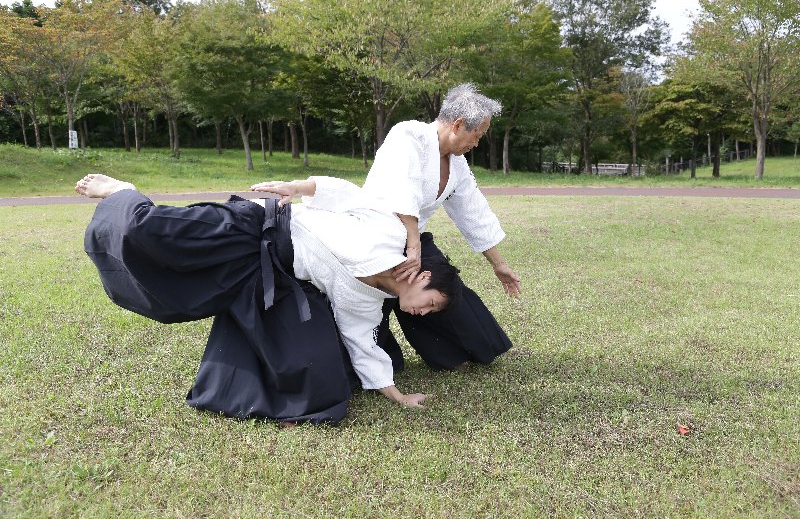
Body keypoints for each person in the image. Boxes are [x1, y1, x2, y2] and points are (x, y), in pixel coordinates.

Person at [76, 173, 462, 425]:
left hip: (264, 267)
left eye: (429, 313)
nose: (422, 312)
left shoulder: (366, 301)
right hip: (253, 225)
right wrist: (298, 188)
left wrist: (395, 394)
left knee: (179, 300)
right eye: (431, 302)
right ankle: (122, 192)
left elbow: (363, 343)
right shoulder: (390, 236)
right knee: (147, 232)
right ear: (424, 276)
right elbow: (348, 194)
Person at [362, 82, 521, 372]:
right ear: (458, 125)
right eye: (477, 135)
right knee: (377, 308)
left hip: (413, 240)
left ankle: (463, 352)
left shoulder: (457, 165)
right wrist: (412, 244)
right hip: (374, 237)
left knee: (447, 292)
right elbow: (402, 187)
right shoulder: (407, 135)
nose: (477, 144)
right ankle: (376, 361)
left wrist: (499, 264)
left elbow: (472, 211)